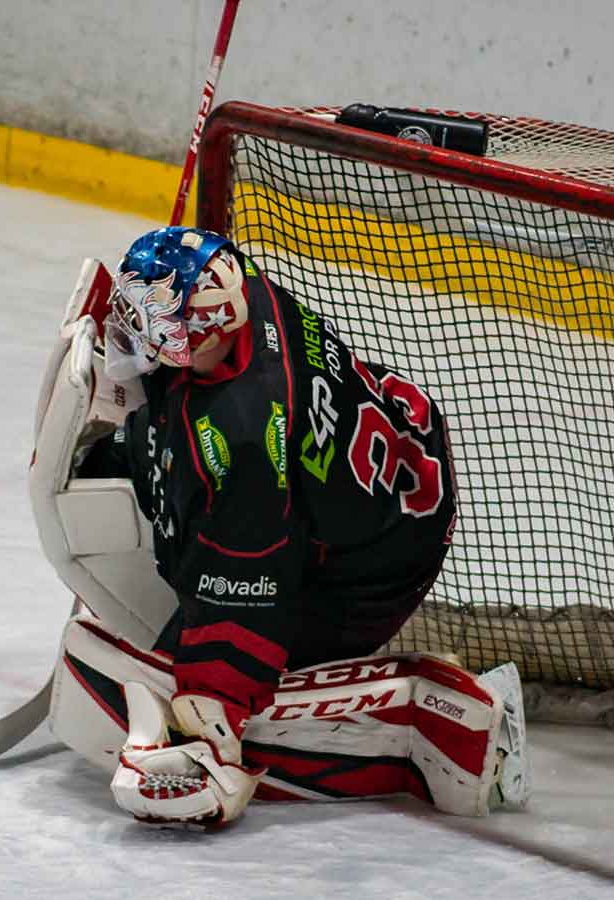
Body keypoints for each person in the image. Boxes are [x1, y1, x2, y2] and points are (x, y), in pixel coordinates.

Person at [27, 226, 529, 826]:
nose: (139, 326)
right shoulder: (252, 296)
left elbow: (246, 598)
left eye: (154, 317)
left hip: (374, 569)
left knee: (189, 685)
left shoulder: (242, 444)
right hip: (398, 465)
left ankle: (445, 723)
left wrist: (207, 709)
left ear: (204, 326)